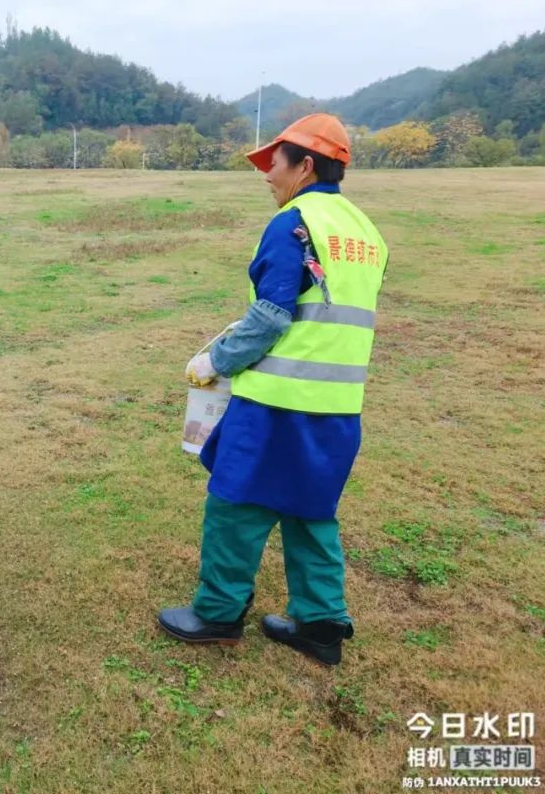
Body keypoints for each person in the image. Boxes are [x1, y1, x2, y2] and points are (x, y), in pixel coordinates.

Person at [157, 113, 389, 667]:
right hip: (338, 407)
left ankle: (218, 614)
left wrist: (216, 360)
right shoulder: (366, 231)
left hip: (277, 404)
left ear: (305, 166)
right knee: (312, 512)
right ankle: (321, 626)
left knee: (235, 504)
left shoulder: (295, 223)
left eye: (274, 163)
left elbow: (270, 315)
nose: (267, 175)